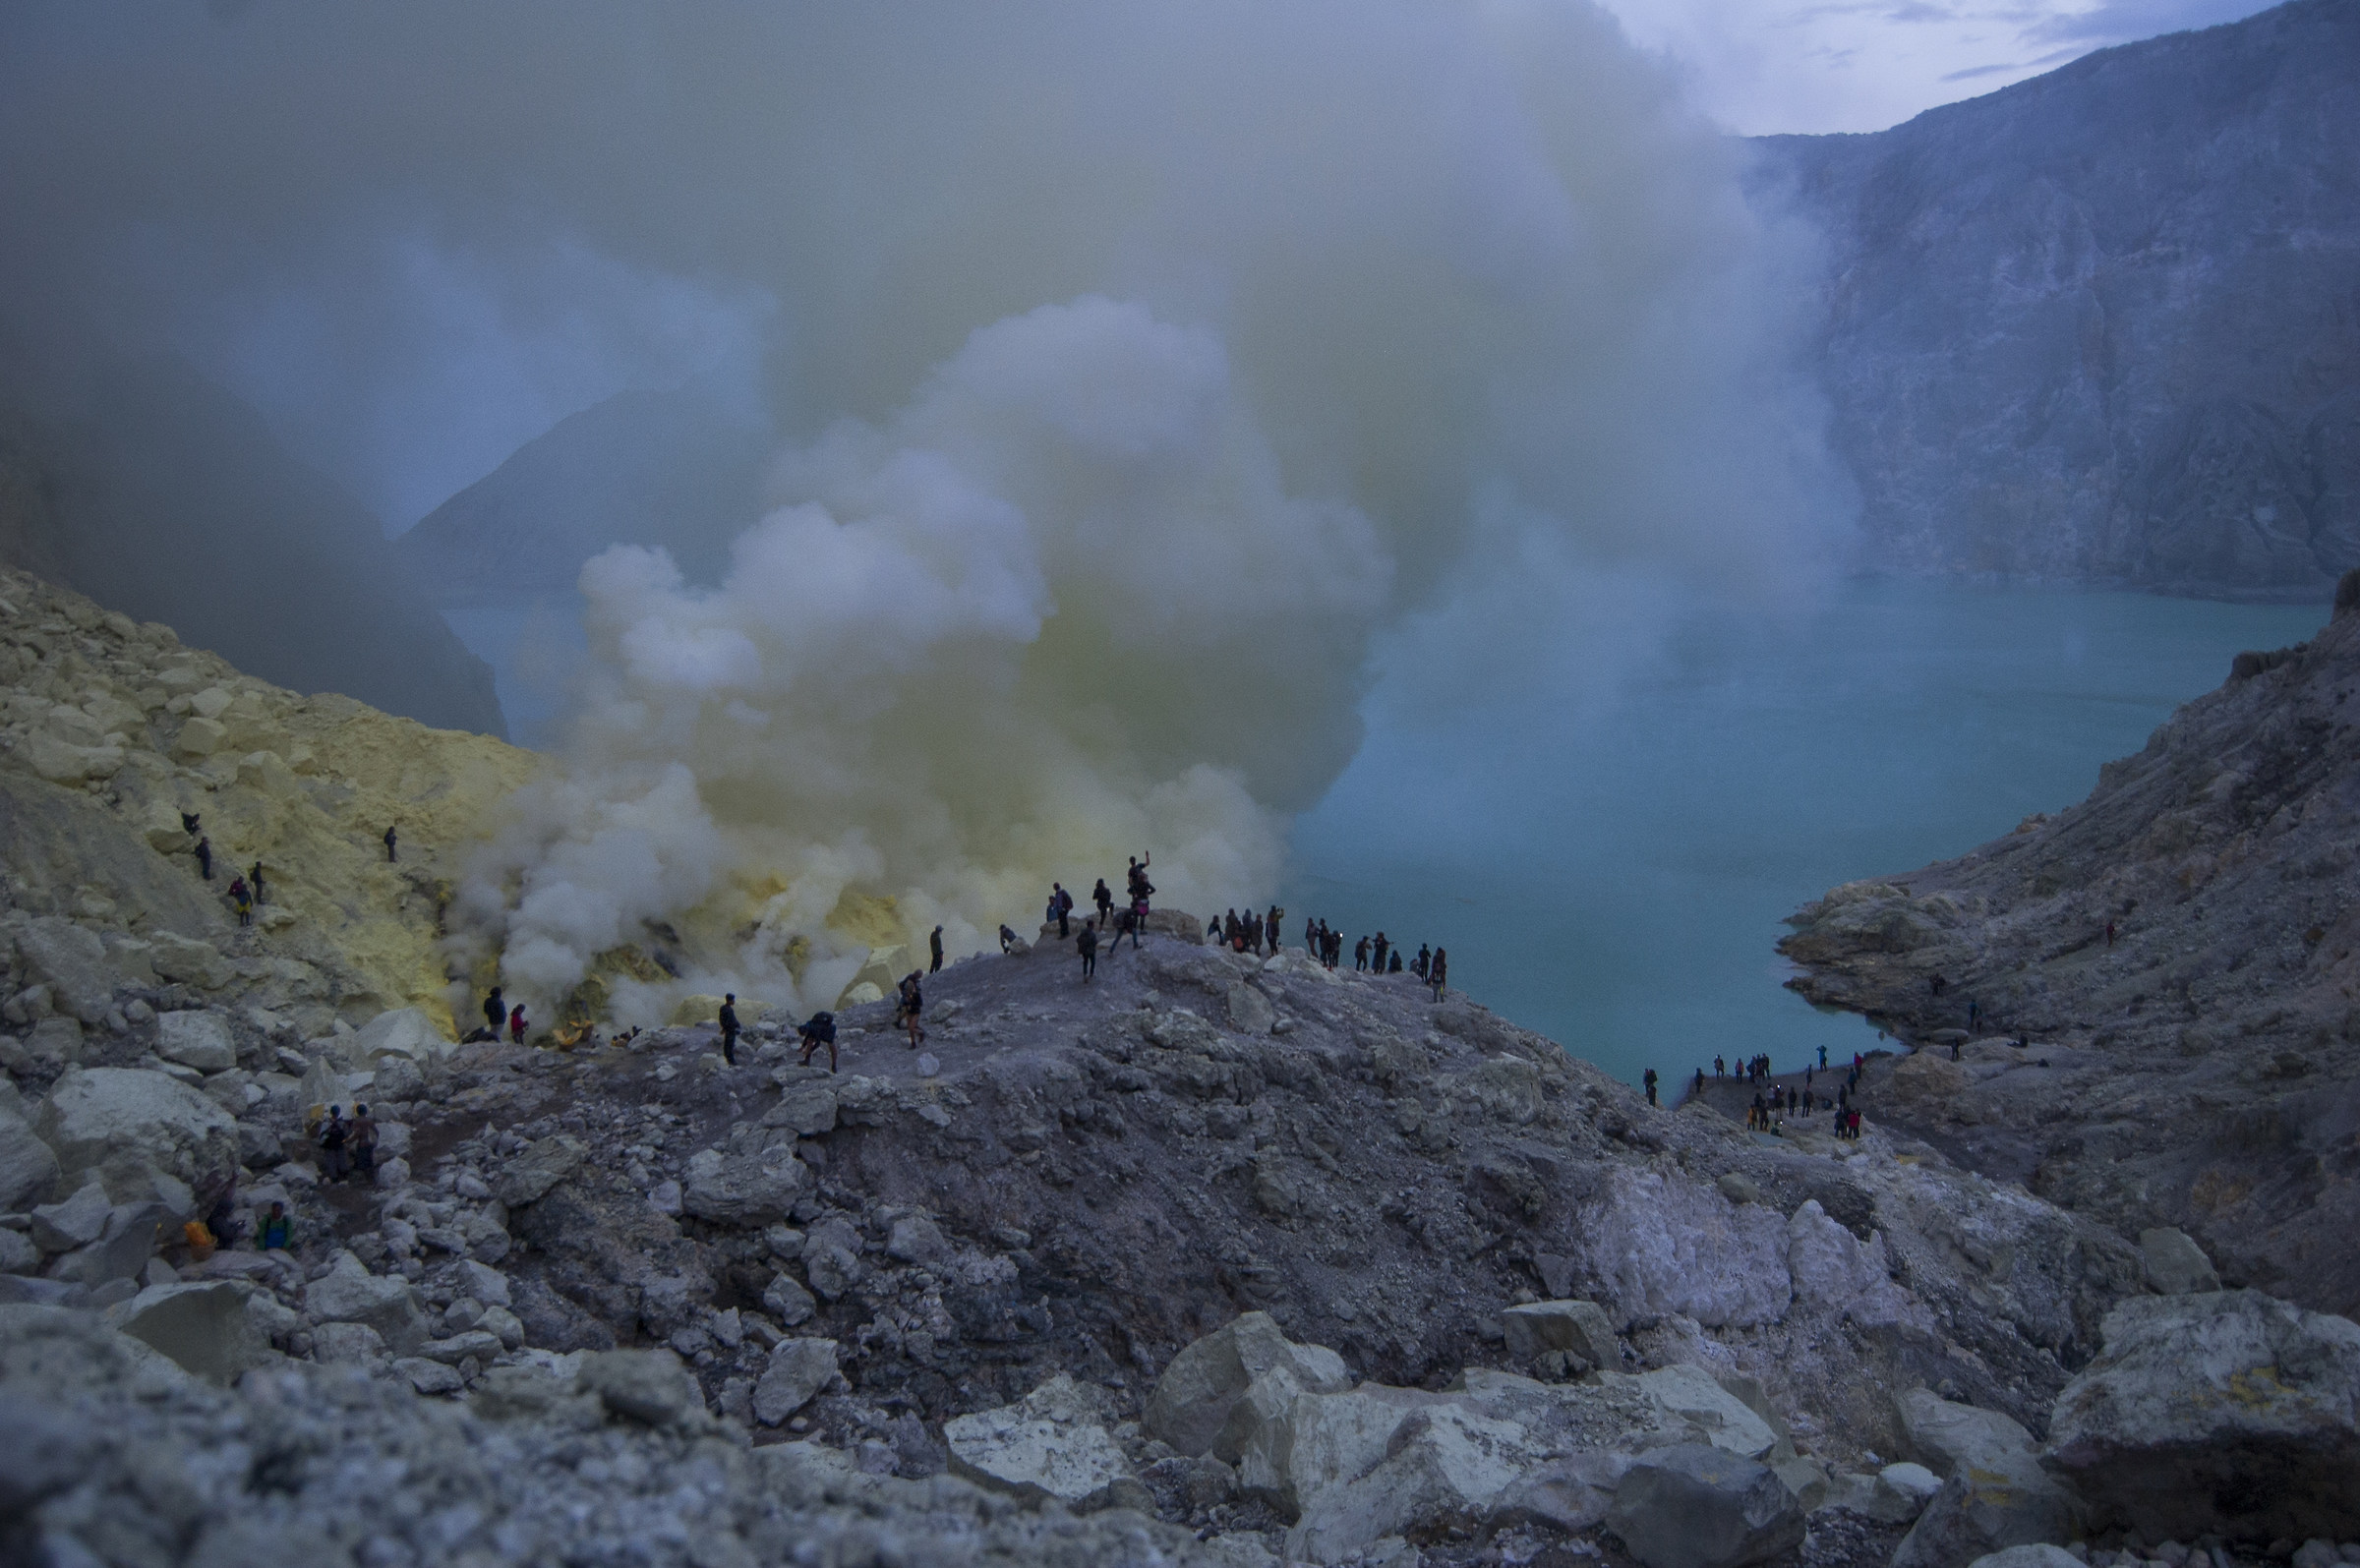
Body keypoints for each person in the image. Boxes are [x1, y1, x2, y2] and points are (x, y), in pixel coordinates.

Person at [319, 1106, 350, 1182]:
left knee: (331, 1160)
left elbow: (322, 1135)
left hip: (329, 1144)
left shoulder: (326, 1122)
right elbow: (346, 1133)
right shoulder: (342, 1122)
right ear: (338, 1112)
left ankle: (334, 1177)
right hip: (340, 1144)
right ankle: (344, 1175)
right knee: (342, 1159)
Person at [349, 1104, 378, 1182]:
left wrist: (348, 1141)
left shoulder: (357, 1121)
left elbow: (354, 1133)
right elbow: (376, 1132)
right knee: (369, 1162)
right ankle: (372, 1179)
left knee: (360, 1163)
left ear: (357, 1112)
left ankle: (362, 1180)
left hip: (361, 1144)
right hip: (369, 1144)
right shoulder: (370, 1120)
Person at [897, 972, 925, 1050]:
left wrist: (911, 1005)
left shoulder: (916, 995)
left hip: (915, 1012)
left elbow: (920, 1004)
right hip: (909, 1012)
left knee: (912, 1027)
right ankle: (913, 1043)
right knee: (910, 1029)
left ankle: (921, 1033)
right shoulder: (907, 995)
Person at [719, 993, 740, 1066]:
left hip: (728, 1029)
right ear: (729, 1001)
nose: (734, 1001)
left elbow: (722, 1020)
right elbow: (730, 1021)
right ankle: (731, 1060)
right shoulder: (729, 1010)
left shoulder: (723, 1008)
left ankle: (727, 1058)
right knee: (730, 1045)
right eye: (733, 1000)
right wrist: (736, 1026)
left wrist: (723, 1028)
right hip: (730, 1030)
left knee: (727, 1044)